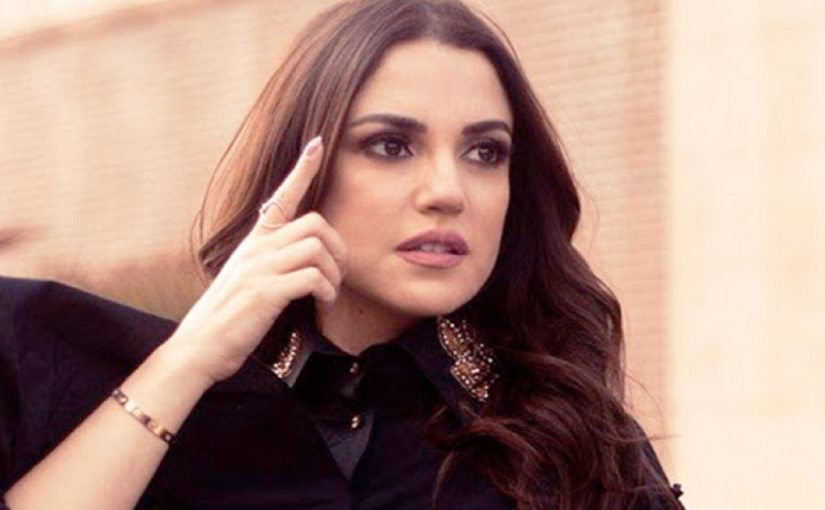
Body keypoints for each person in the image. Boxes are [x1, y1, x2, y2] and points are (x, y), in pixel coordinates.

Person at [0, 0, 685, 508]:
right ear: (305, 173)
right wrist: (188, 359)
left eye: (484, 152)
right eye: (390, 145)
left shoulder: (570, 445)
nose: (447, 191)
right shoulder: (178, 417)